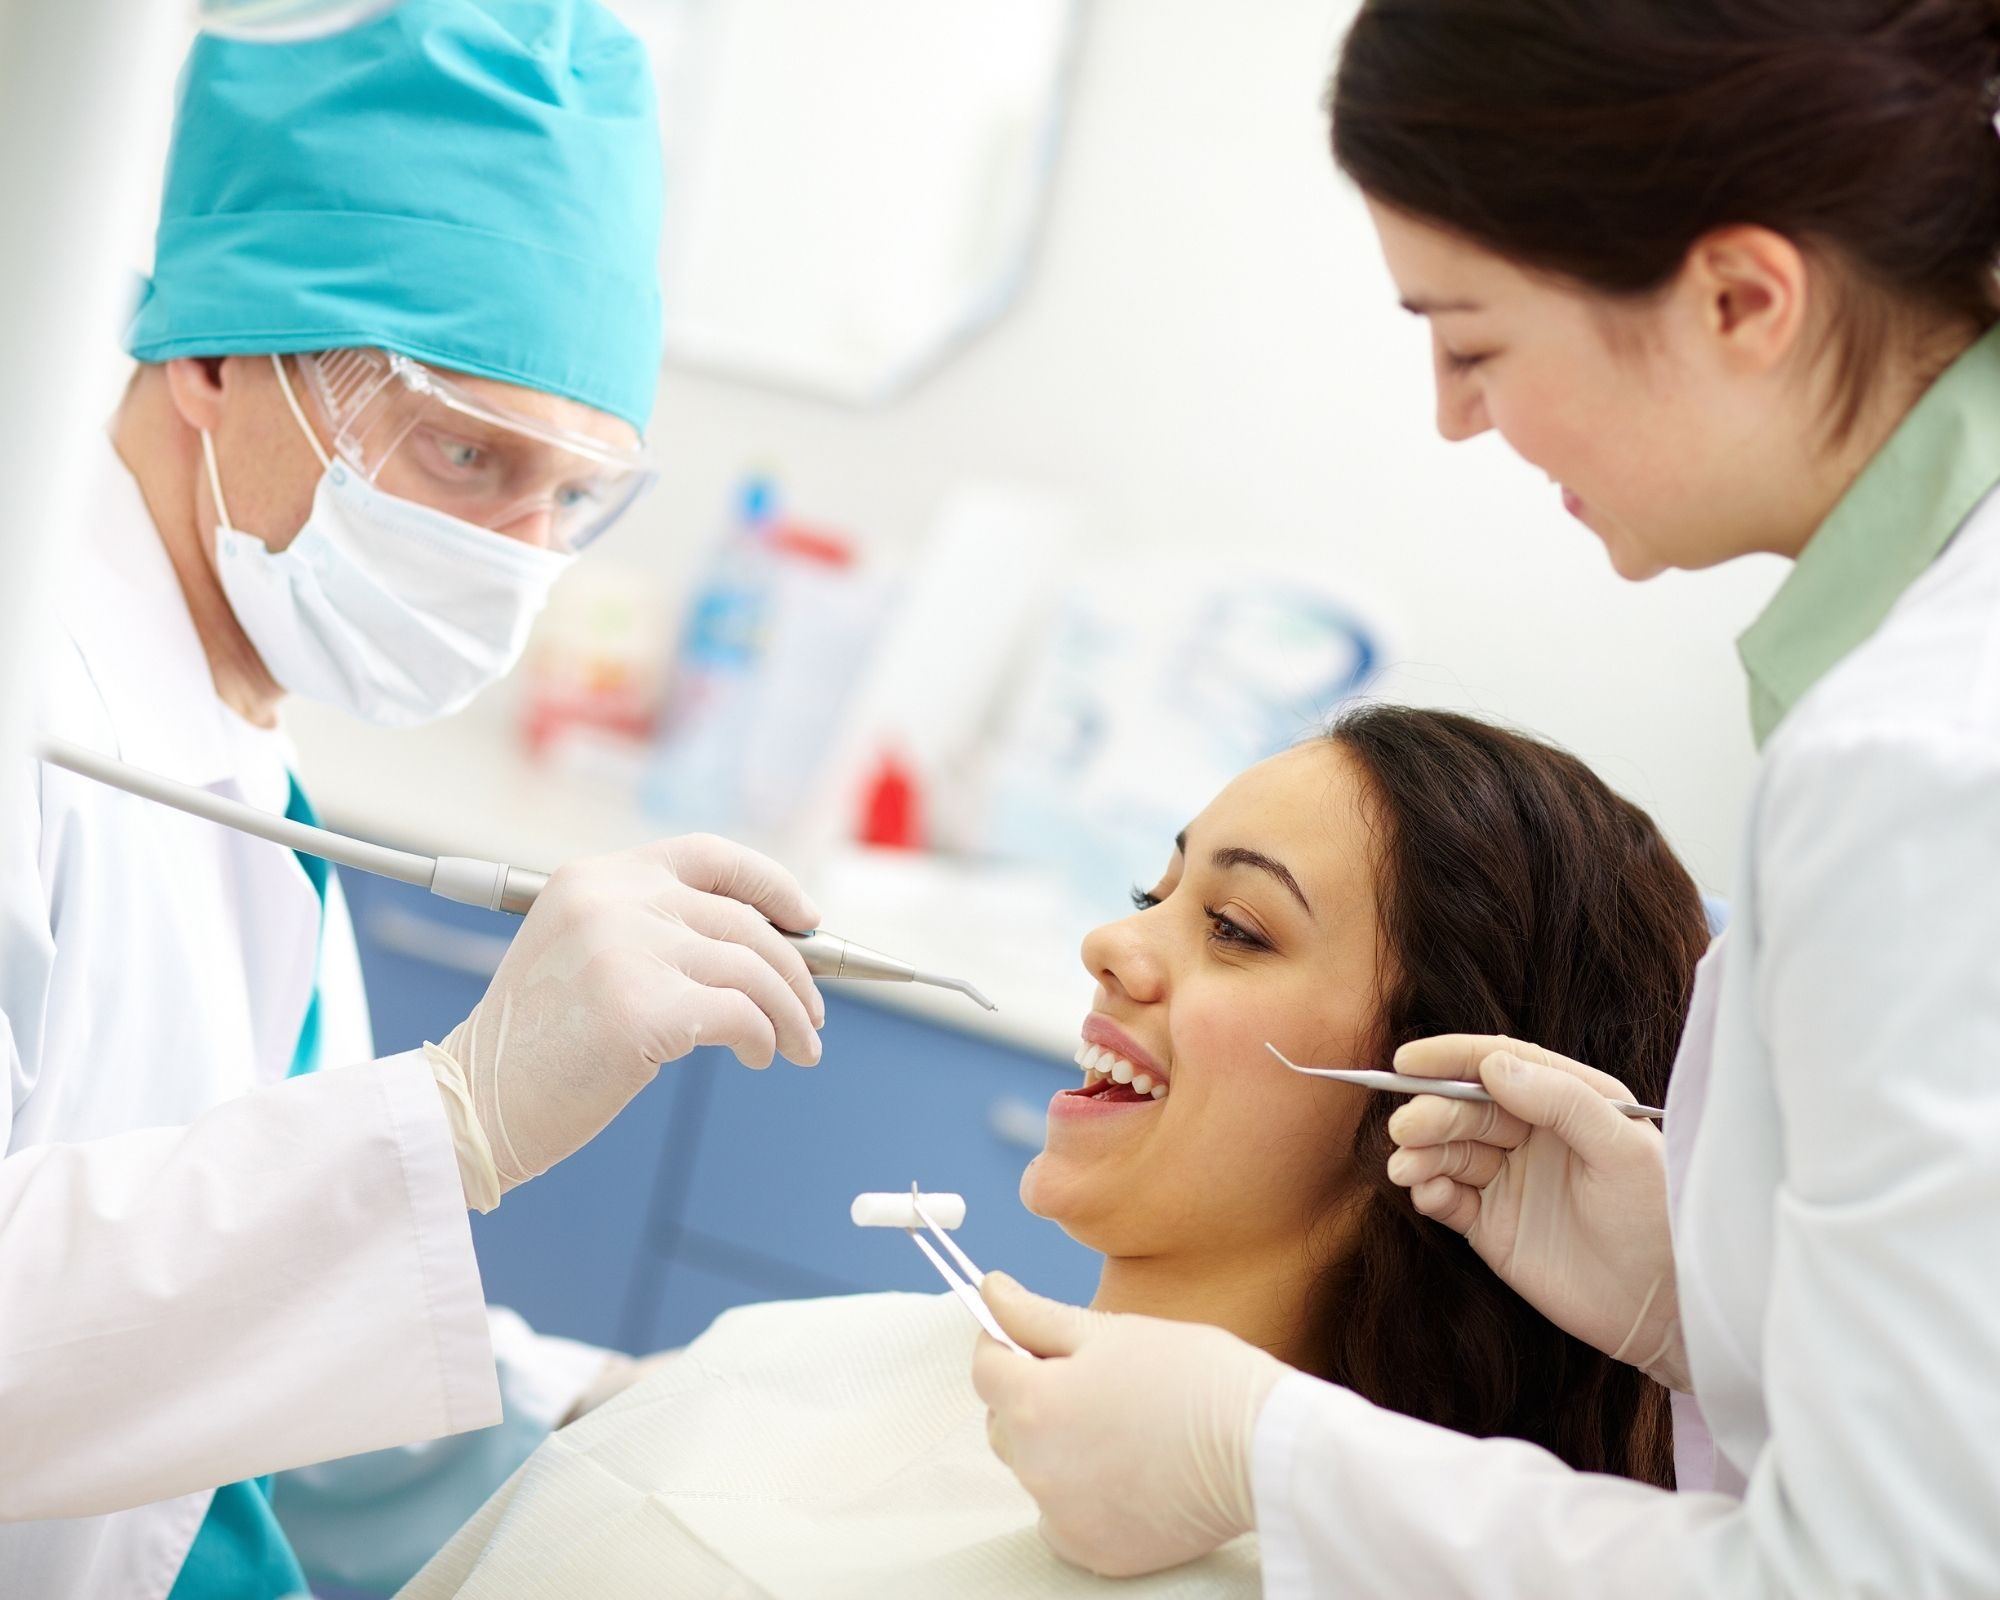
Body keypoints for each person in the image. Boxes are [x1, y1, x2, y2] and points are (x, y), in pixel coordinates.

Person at [972, 1, 2000, 1593]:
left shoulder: (1925, 760)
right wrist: (1709, 1303)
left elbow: (1899, 1573)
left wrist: (1275, 1459)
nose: (1456, 414)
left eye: (1473, 339)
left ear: (1739, 297)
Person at [0, 5, 828, 1595]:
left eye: (575, 497)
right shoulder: (40, 712)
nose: (518, 558)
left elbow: (211, 1313)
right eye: (463, 455)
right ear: (225, 354)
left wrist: (574, 1398)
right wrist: (451, 1123)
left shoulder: (228, 737)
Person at [390, 705, 1709, 1598]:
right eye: (1157, 894)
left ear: (1455, 1086)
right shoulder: (824, 1353)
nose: (1114, 946)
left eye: (1237, 929)